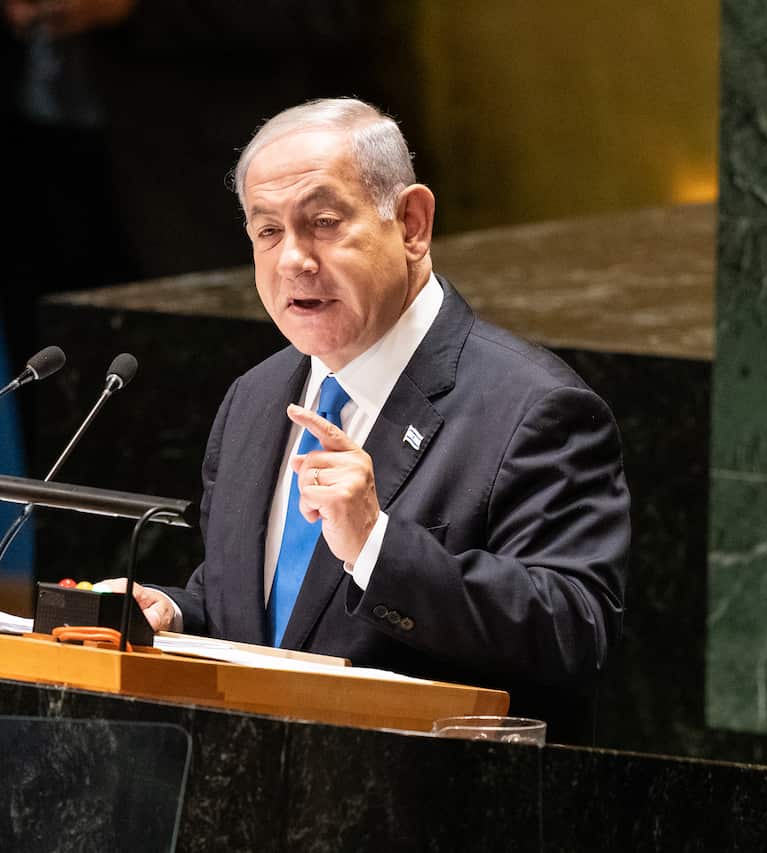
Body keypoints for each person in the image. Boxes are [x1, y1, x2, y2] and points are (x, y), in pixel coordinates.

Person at [104, 98, 631, 738]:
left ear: (411, 223)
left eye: (323, 222)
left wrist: (377, 547)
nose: (293, 259)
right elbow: (273, 615)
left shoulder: (536, 409)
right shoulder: (256, 396)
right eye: (267, 231)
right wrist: (178, 614)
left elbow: (572, 630)